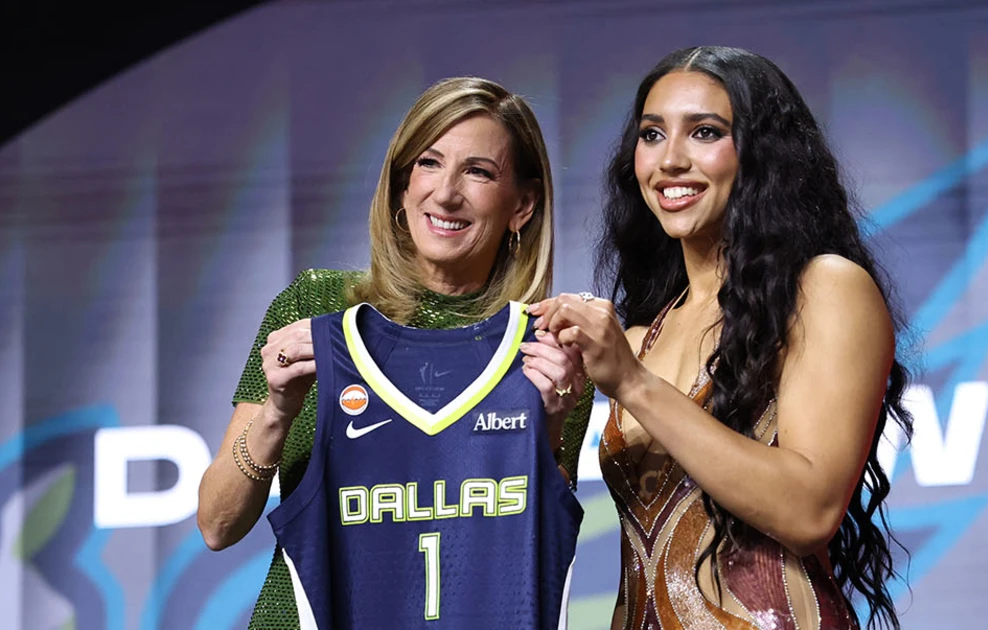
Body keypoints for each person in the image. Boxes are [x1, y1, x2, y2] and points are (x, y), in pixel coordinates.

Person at [530, 46, 914, 629]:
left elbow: (810, 510)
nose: (670, 160)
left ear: (763, 155)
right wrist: (550, 423)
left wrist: (633, 385)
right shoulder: (642, 335)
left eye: (705, 132)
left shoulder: (824, 288)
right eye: (652, 135)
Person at [197, 76, 594, 629]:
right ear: (402, 185)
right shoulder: (315, 308)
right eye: (429, 163)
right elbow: (217, 525)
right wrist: (277, 412)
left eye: (478, 172)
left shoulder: (546, 350)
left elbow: (527, 554)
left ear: (522, 204)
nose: (446, 193)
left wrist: (548, 426)